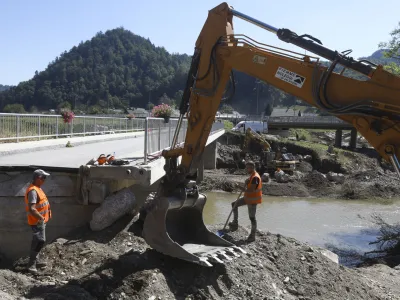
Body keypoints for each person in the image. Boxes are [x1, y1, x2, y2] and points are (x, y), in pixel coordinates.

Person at [24, 169, 52, 274]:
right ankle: (31, 264)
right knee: (40, 240)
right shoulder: (33, 191)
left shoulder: (37, 188)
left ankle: (36, 260)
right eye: (43, 178)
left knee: (38, 240)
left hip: (41, 220)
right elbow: (32, 208)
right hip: (37, 221)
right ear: (38, 178)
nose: (45, 180)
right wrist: (41, 218)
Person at [229, 161, 262, 242]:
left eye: (248, 168)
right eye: (246, 167)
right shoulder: (252, 176)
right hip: (247, 198)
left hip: (253, 200)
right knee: (234, 204)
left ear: (252, 168)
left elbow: (250, 190)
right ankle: (235, 224)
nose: (247, 169)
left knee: (252, 218)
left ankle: (252, 236)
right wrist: (247, 182)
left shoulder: (255, 178)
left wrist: (238, 186)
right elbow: (250, 187)